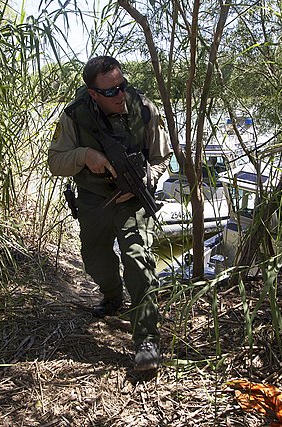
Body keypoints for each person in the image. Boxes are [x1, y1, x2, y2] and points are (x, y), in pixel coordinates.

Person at [47, 56, 172, 371]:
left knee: (139, 261)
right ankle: (113, 297)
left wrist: (146, 179)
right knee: (96, 259)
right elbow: (56, 162)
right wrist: (85, 155)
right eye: (110, 91)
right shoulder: (74, 117)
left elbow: (161, 158)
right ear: (92, 93)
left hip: (134, 200)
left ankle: (146, 338)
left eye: (122, 86)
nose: (119, 95)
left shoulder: (146, 111)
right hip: (93, 200)